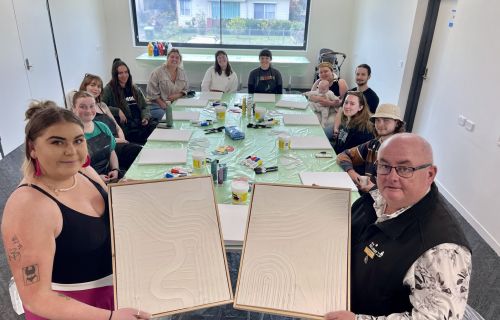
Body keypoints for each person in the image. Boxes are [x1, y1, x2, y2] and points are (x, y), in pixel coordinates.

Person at [1, 101, 151, 319]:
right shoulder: (28, 206)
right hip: (76, 310)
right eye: (57, 142)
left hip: (116, 294)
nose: (71, 151)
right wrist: (109, 318)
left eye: (78, 140)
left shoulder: (84, 173)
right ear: (32, 148)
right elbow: (36, 298)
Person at [326, 133, 471, 320]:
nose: (391, 177)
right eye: (384, 166)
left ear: (430, 174)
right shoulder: (378, 196)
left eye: (405, 168)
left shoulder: (442, 251)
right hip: (333, 284)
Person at [78, 74, 141, 172]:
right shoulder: (85, 114)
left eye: (99, 86)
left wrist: (122, 140)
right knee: (137, 151)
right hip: (106, 145)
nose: (96, 88)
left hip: (118, 141)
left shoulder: (103, 106)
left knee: (139, 150)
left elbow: (117, 126)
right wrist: (118, 141)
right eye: (93, 85)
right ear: (84, 86)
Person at [337, 103, 405, 192]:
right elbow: (343, 155)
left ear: (397, 123)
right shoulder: (373, 144)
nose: (380, 124)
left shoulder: (402, 151)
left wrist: (373, 189)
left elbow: (401, 188)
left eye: (386, 120)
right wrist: (352, 173)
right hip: (367, 197)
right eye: (377, 120)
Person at [102, 58, 157, 145]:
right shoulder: (109, 89)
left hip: (141, 123)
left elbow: (144, 106)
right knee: (146, 138)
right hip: (128, 128)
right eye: (120, 73)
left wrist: (145, 117)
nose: (124, 75)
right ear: (115, 75)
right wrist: (117, 111)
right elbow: (100, 106)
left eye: (126, 72)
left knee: (158, 128)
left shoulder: (134, 88)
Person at [72, 91, 119, 184]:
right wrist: (96, 178)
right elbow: (75, 169)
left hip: (109, 174)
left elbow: (111, 151)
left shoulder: (102, 127)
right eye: (82, 107)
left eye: (92, 106)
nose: (88, 111)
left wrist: (115, 169)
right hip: (87, 181)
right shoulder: (72, 135)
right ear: (74, 109)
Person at [146, 48, 189, 123]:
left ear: (180, 61)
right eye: (172, 57)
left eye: (177, 58)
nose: (174, 59)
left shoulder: (182, 72)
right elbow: (151, 92)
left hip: (174, 104)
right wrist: (162, 104)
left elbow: (186, 88)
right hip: (156, 105)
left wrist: (179, 94)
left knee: (185, 117)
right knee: (168, 119)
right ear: (167, 58)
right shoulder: (157, 72)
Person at [309, 62, 348, 136]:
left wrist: (330, 103)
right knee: (313, 121)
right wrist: (319, 99)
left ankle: (322, 139)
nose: (323, 74)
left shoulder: (340, 82)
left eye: (326, 71)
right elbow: (311, 97)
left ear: (332, 71)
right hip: (320, 108)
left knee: (326, 124)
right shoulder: (318, 82)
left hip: (335, 110)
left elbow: (345, 102)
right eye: (321, 72)